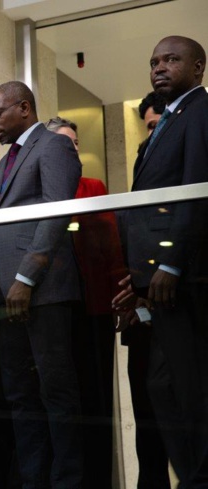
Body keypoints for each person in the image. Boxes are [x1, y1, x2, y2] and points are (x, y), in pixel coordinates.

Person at [115, 35, 208, 487]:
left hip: (187, 277)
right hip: (154, 282)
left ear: (198, 67)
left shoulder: (201, 112)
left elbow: (196, 190)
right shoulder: (169, 121)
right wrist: (138, 279)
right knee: (162, 388)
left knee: (192, 392)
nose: (159, 67)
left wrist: (171, 265)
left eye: (172, 59)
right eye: (154, 61)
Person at [0, 81, 83, 487]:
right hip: (5, 300)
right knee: (21, 397)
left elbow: (56, 214)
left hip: (42, 292)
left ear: (23, 108)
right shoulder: (6, 161)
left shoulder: (53, 145)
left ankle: (68, 481)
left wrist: (26, 277)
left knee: (57, 394)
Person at [47, 116, 125, 488]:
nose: (73, 149)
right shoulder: (37, 190)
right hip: (51, 311)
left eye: (76, 143)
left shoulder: (91, 186)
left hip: (92, 307)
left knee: (96, 399)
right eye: (65, 143)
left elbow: (109, 245)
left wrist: (120, 297)